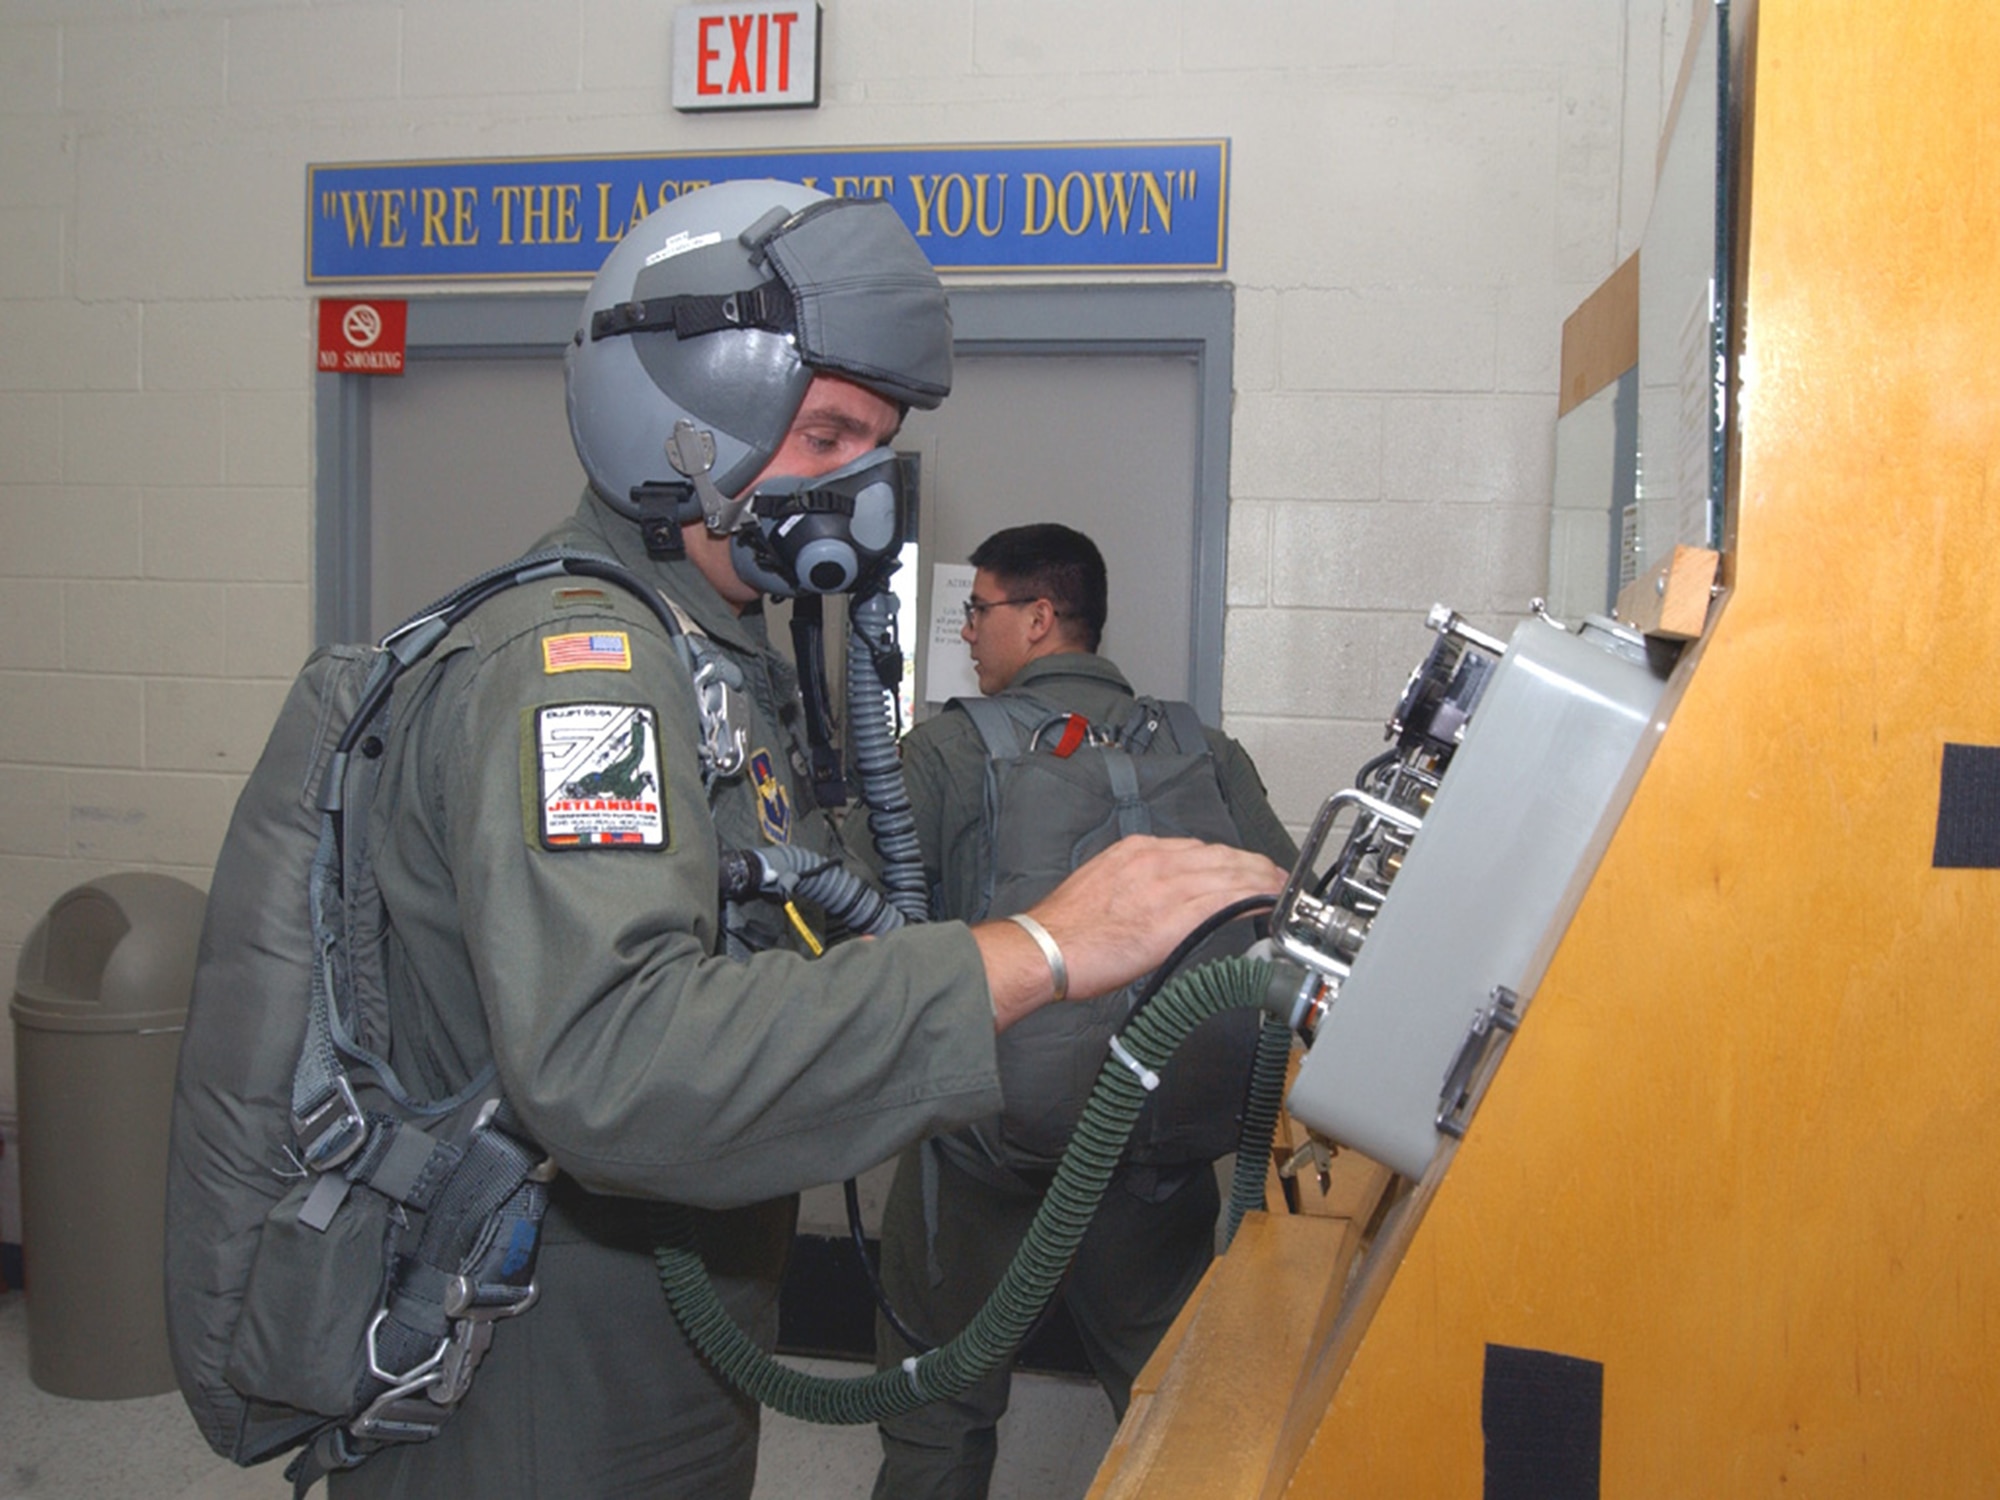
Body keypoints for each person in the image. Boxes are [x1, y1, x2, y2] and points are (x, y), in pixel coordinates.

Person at [327, 182, 1285, 1499]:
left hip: (662, 1319)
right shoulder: (585, 674)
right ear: (670, 413)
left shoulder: (709, 657)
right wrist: (1044, 950)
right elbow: (610, 1059)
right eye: (827, 429)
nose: (857, 483)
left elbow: (773, 940)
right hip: (538, 1366)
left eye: (872, 443)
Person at [871, 524, 1299, 1500]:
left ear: (1036, 616)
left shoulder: (939, 754)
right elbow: (1289, 909)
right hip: (1159, 1166)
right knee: (1188, 1427)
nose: (968, 634)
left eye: (976, 611)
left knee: (937, 1424)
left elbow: (860, 933)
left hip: (981, 1162)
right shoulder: (1206, 751)